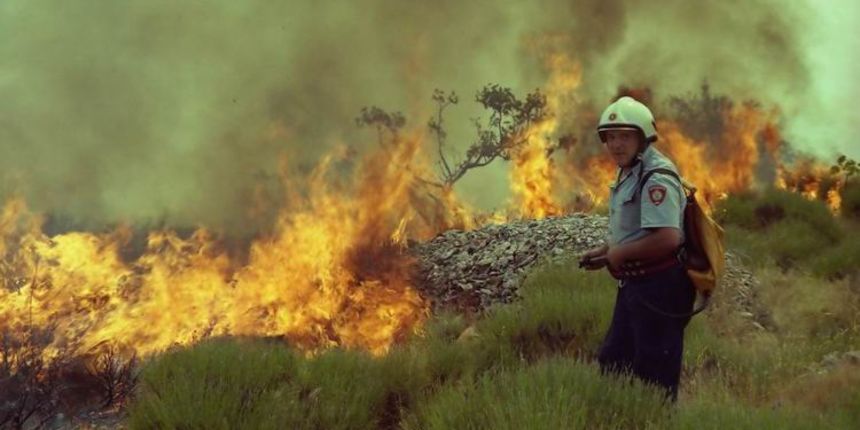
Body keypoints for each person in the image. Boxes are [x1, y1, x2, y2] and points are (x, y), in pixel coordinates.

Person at [579, 96, 695, 402]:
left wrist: (618, 255)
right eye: (611, 137)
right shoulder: (629, 171)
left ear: (643, 137)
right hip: (634, 285)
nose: (616, 144)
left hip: (661, 287)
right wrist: (606, 251)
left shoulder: (656, 177)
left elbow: (668, 238)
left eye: (625, 136)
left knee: (654, 377)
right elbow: (637, 231)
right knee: (613, 362)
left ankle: (653, 421)